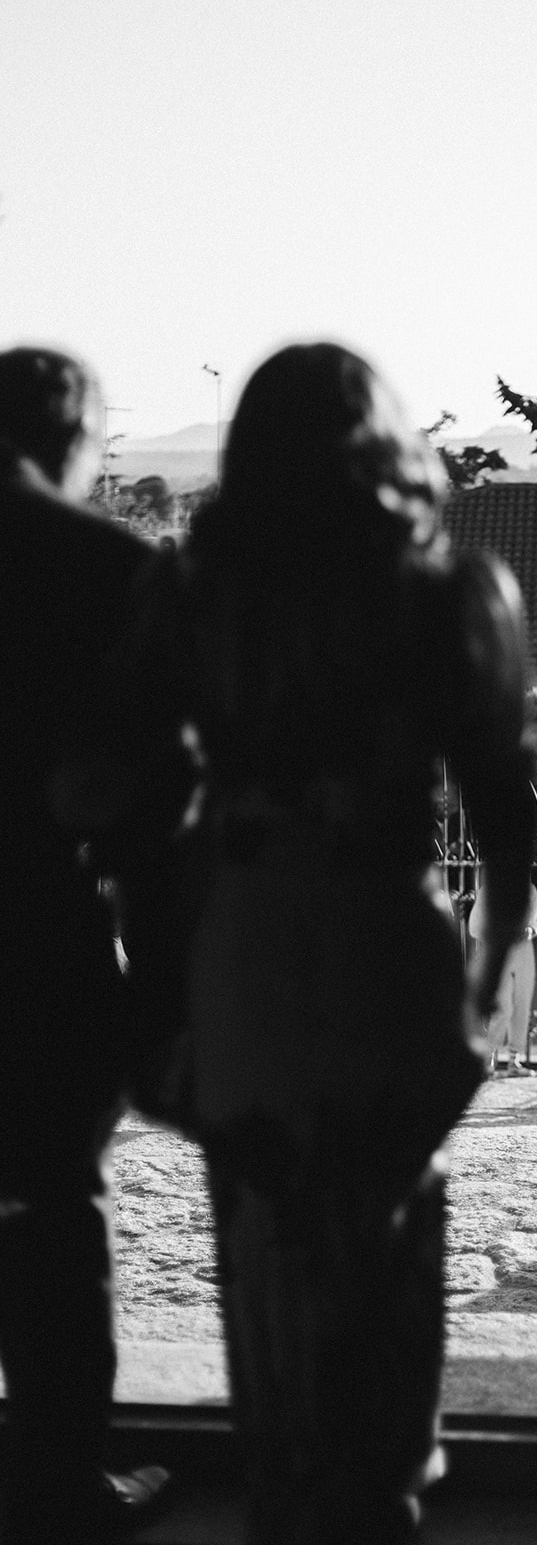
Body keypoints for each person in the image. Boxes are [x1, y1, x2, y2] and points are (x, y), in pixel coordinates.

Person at [174, 342, 537, 1544]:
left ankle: (286, 1485)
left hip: (249, 940)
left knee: (266, 1226)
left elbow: (127, 795)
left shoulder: (198, 598)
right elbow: (504, 820)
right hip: (386, 936)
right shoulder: (446, 596)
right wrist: (482, 989)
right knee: (385, 1221)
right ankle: (380, 1488)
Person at [0, 347, 179, 1542]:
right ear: (73, 437)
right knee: (56, 1213)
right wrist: (158, 994)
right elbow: (155, 804)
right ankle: (59, 1481)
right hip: (36, 928)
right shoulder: (107, 567)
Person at [469, 877, 537, 1075]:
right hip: (497, 951)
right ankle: (489, 1057)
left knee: (522, 1002)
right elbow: (475, 927)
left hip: (523, 949)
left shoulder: (529, 889)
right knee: (503, 1006)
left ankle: (514, 1059)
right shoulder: (488, 891)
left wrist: (530, 930)